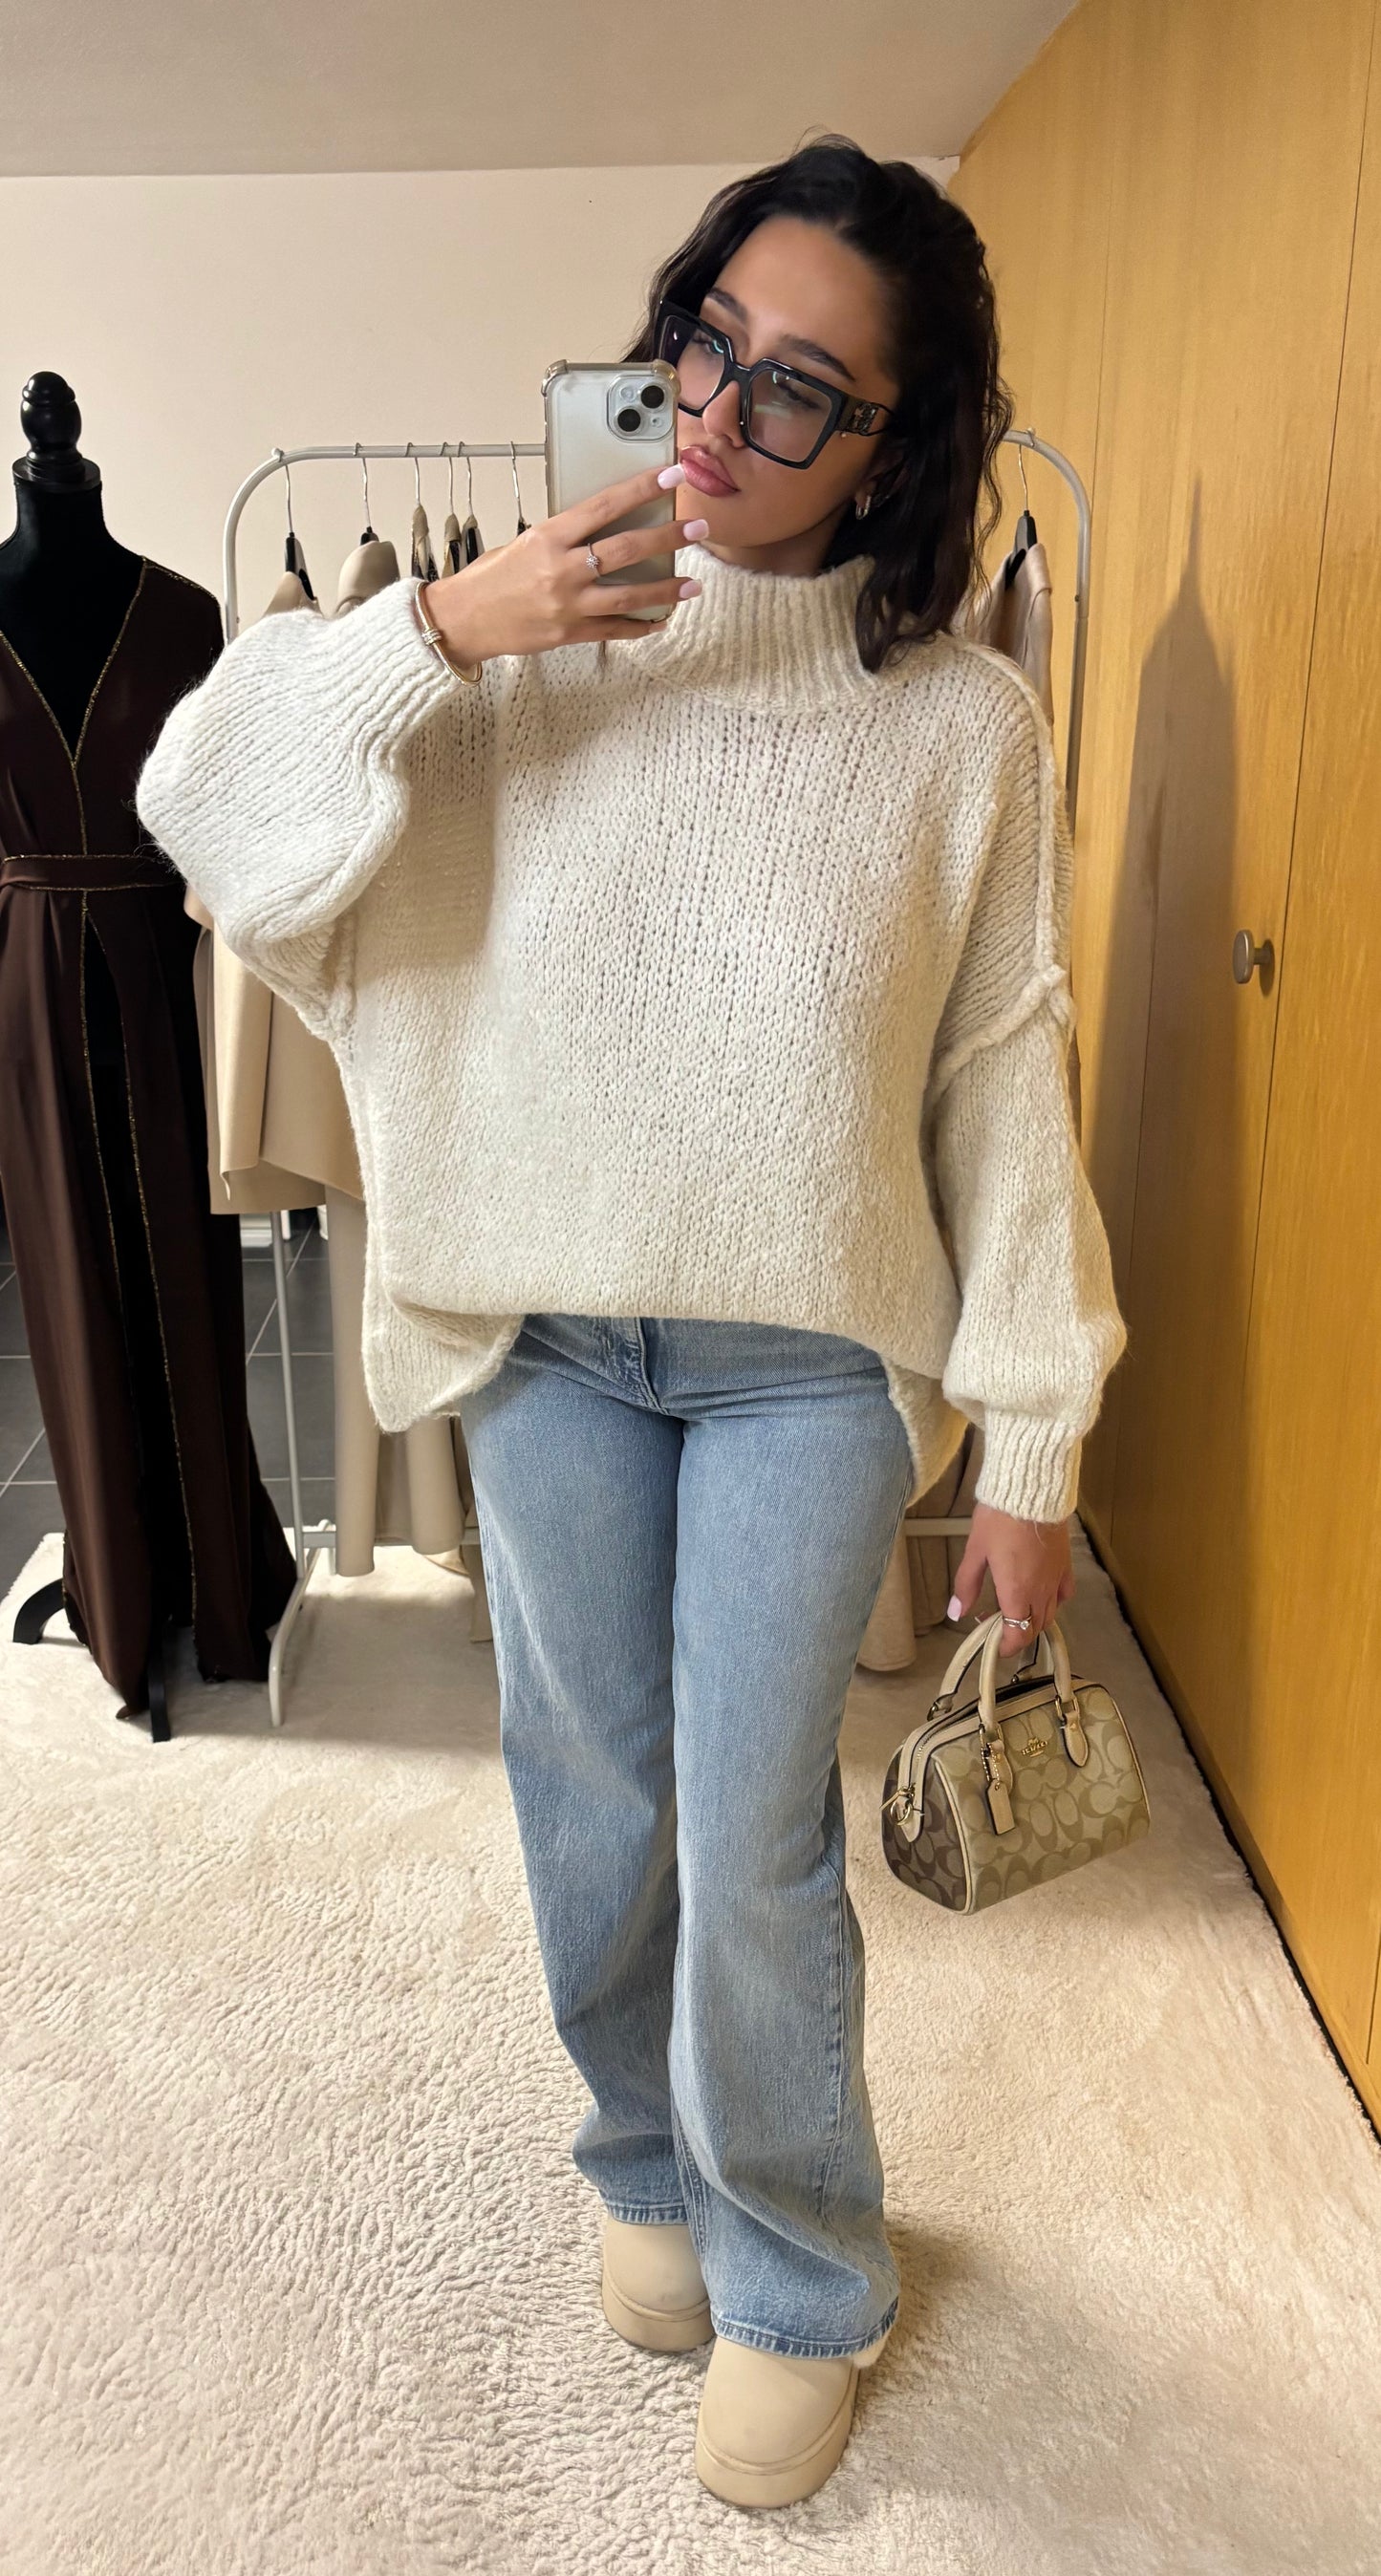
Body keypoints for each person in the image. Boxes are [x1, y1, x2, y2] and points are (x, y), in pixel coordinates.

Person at [136, 136, 1127, 2512]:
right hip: (552, 1337)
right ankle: (640, 2158)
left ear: (895, 447)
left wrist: (1035, 1449)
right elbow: (199, 794)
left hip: (808, 1359)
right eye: (706, 344)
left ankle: (798, 2267)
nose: (720, 416)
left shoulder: (958, 730)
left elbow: (1002, 1081)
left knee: (753, 1831)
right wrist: (442, 630)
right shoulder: (507, 647)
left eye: (801, 391)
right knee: (588, 1806)